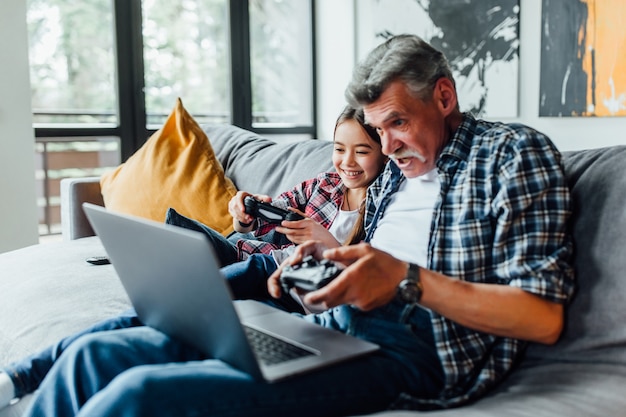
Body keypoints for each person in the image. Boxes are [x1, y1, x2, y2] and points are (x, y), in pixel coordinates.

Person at [20, 34, 575, 417]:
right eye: (377, 131)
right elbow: (362, 261)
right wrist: (315, 269)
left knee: (139, 395)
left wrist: (406, 280)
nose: (387, 147)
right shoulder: (393, 174)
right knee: (99, 356)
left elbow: (543, 317)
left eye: (398, 123)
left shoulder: (513, 155)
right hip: (328, 322)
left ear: (445, 97)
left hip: (415, 353)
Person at [0, 105, 386, 411]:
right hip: (249, 255)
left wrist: (325, 241)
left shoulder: (384, 203)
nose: (346, 162)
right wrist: (246, 214)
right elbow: (270, 219)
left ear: (383, 151)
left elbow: (365, 272)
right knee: (166, 272)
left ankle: (24, 374)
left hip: (270, 276)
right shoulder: (325, 184)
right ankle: (21, 375)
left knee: (167, 310)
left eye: (362, 151)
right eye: (339, 149)